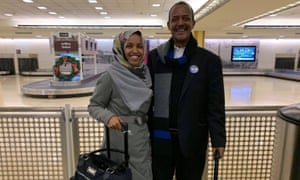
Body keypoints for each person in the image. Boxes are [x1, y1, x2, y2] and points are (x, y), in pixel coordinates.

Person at [147, 1, 226, 180]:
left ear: (193, 23)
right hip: (161, 140)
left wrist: (218, 139)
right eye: (175, 19)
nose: (180, 23)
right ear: (168, 25)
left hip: (192, 140)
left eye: (185, 18)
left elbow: (215, 104)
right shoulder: (155, 58)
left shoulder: (208, 61)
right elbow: (147, 98)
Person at [88, 30, 153, 180]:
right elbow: (94, 106)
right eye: (129, 46)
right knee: (120, 175)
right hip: (119, 140)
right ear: (120, 48)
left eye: (139, 46)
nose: (135, 51)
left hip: (141, 136)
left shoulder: (145, 73)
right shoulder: (110, 75)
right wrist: (109, 117)